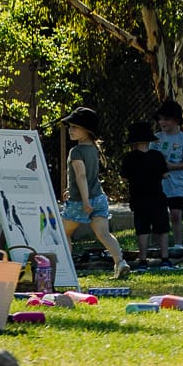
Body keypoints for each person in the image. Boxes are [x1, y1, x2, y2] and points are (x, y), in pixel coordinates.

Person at [59, 107, 129, 278]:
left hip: (80, 201)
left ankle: (67, 267)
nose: (70, 130)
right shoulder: (93, 149)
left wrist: (84, 200)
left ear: (86, 130)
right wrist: (72, 188)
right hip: (99, 198)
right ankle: (120, 261)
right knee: (103, 234)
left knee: (63, 232)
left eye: (75, 127)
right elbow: (88, 176)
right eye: (70, 127)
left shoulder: (76, 151)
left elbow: (81, 176)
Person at [120, 122, 171, 267]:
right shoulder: (157, 156)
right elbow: (165, 174)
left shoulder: (129, 158)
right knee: (162, 228)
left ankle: (143, 259)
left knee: (142, 229)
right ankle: (165, 258)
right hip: (157, 197)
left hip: (138, 198)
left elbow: (124, 177)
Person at [151, 98, 183, 256]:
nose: (163, 122)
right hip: (158, 185)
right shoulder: (155, 139)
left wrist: (172, 166)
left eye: (167, 119)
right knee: (158, 215)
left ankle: (178, 244)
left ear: (176, 121)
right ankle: (157, 246)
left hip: (176, 185)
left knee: (175, 214)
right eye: (160, 119)